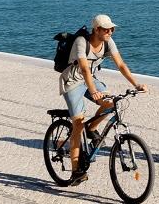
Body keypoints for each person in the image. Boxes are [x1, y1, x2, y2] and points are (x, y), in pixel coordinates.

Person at [57, 14, 147, 186]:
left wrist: (137, 84)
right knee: (78, 123)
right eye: (106, 29)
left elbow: (120, 64)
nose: (110, 32)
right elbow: (83, 67)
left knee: (111, 103)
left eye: (112, 29)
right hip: (72, 81)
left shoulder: (108, 42)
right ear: (96, 29)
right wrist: (93, 91)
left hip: (90, 78)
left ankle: (92, 129)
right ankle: (76, 171)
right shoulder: (82, 42)